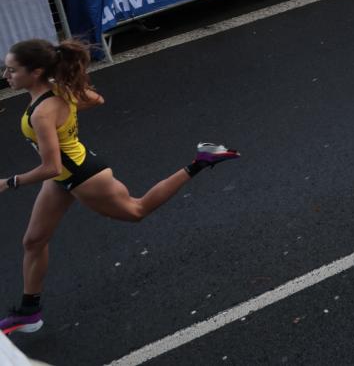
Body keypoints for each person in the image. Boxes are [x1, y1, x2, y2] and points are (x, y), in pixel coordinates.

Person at [0, 39, 239, 337]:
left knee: (137, 210)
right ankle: (28, 312)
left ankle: (201, 160)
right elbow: (96, 100)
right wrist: (66, 91)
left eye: (11, 70)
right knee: (33, 241)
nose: (6, 76)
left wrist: (10, 183)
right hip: (66, 174)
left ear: (35, 72)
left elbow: (51, 166)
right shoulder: (54, 91)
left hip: (82, 176)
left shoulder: (42, 112)